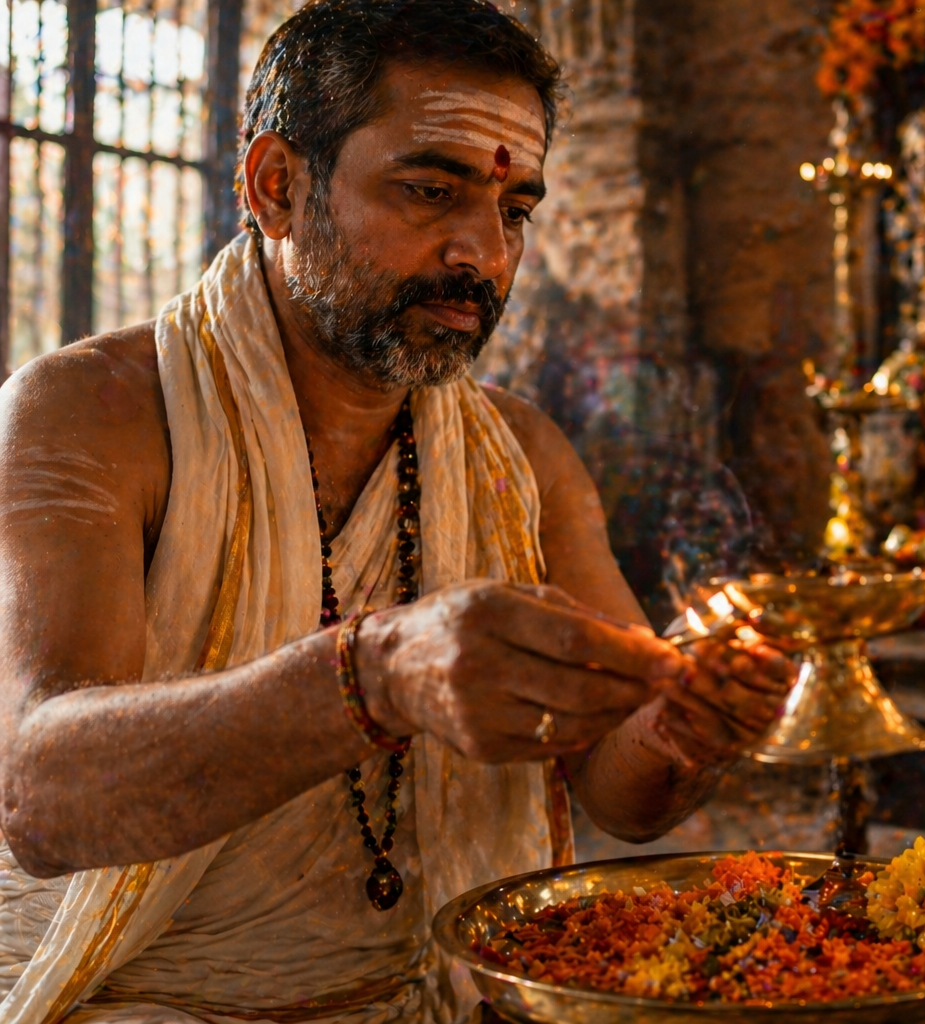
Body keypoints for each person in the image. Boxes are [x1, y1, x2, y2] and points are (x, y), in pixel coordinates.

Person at [0, 1, 793, 1021]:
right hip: (138, 998)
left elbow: (617, 789)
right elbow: (41, 794)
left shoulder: (525, 458)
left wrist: (694, 719)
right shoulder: (91, 412)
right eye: (431, 190)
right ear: (277, 186)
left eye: (515, 211)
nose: (484, 254)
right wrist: (373, 676)